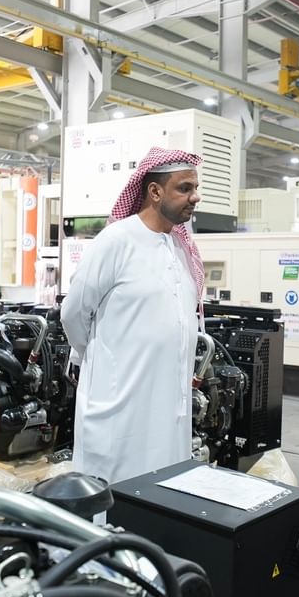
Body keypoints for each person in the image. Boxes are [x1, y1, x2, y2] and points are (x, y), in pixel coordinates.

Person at [60, 147, 204, 485]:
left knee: (163, 490)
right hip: (118, 403)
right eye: (184, 188)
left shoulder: (179, 248)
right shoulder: (117, 241)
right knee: (112, 495)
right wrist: (100, 358)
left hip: (170, 408)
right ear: (155, 192)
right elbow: (73, 313)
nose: (195, 197)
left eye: (195, 188)